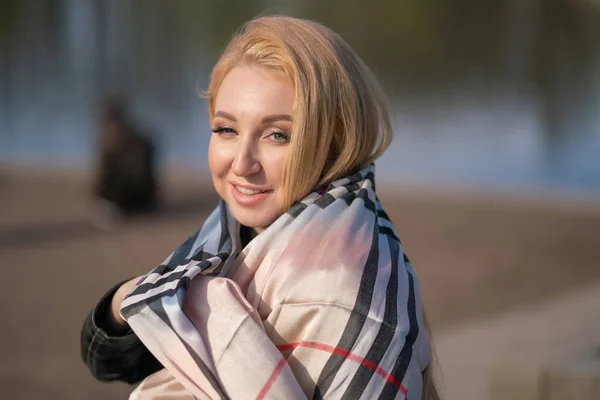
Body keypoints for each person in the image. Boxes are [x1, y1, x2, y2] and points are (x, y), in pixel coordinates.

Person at [81, 15, 440, 399]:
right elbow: (111, 359)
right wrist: (130, 296)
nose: (241, 164)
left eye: (277, 135)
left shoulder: (347, 286)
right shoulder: (229, 240)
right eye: (226, 129)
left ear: (335, 142)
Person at [92, 96, 158, 224]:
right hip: (144, 200)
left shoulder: (114, 141)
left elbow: (104, 180)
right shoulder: (141, 137)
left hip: (129, 200)